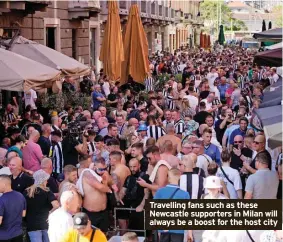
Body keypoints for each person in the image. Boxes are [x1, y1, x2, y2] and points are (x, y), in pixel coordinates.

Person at [154, 168, 192, 242]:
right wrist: (189, 233)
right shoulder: (185, 194)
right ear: (179, 178)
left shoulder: (160, 192)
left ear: (168, 177)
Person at [24, 169, 59, 242]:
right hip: (45, 224)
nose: (47, 181)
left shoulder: (27, 191)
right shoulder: (47, 191)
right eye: (46, 180)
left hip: (32, 225)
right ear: (43, 180)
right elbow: (56, 205)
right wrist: (50, 212)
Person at [78, 157, 112, 232]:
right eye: (100, 169)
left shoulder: (104, 173)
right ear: (94, 167)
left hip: (103, 212)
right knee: (91, 236)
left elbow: (111, 182)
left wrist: (107, 181)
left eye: (105, 169)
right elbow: (99, 187)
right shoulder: (87, 173)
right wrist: (109, 189)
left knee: (103, 236)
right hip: (91, 214)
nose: (102, 171)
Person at [119, 158, 151, 235]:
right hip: (129, 205)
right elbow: (123, 190)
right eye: (130, 167)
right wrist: (120, 197)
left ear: (139, 165)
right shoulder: (129, 178)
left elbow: (147, 193)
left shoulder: (145, 177)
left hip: (139, 206)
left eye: (134, 166)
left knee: (139, 231)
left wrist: (141, 205)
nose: (132, 169)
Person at [0, 175, 27, 242]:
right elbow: (23, 214)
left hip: (3, 236)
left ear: (4, 184)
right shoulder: (20, 195)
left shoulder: (1, 200)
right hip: (18, 234)